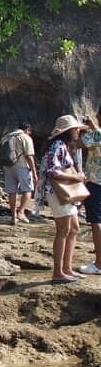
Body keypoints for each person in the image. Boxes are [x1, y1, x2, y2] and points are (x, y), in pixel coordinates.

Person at [38, 114, 88, 284]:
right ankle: (58, 272)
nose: (77, 132)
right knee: (64, 230)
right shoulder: (57, 146)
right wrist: (77, 178)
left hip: (62, 193)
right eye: (75, 130)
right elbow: (53, 171)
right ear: (68, 131)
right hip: (57, 192)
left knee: (73, 228)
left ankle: (66, 268)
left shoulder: (62, 146)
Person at [0, 123, 37, 225]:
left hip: (8, 167)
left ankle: (13, 217)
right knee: (27, 189)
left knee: (12, 192)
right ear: (27, 129)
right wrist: (34, 172)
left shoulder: (7, 136)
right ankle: (21, 212)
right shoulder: (25, 137)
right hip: (22, 167)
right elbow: (29, 156)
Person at [79, 111, 101, 275]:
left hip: (95, 182)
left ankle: (99, 264)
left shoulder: (96, 134)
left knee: (96, 221)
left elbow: (76, 144)